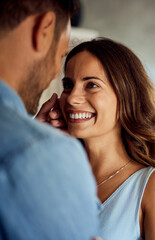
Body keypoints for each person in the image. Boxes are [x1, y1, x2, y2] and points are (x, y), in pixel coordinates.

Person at [38, 38, 155, 239]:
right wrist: (35, 139)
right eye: (68, 84)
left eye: (91, 85)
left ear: (126, 96)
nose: (72, 98)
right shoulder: (53, 174)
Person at [0, 0, 99, 239]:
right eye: (61, 55)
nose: (73, 98)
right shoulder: (42, 153)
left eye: (92, 85)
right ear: (44, 30)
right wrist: (40, 146)